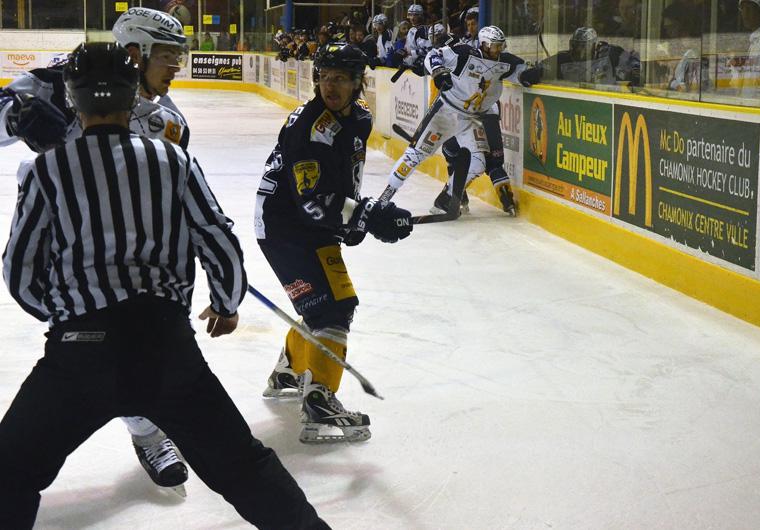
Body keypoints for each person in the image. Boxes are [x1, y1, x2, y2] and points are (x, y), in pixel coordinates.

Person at [0, 41, 329, 530]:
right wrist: (226, 304)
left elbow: (20, 270)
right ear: (133, 95)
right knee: (244, 468)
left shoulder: (48, 169)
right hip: (165, 349)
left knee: (10, 472)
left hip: (78, 357)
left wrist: (69, 316)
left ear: (72, 99)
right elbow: (218, 239)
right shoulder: (173, 160)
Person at [0, 6, 191, 493]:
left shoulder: (168, 122)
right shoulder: (62, 80)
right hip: (55, 243)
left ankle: (144, 431)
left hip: (123, 252)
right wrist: (15, 117)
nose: (176, 66)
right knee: (86, 348)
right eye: (168, 56)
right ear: (136, 52)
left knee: (122, 342)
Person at [255, 42, 413, 443]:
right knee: (334, 308)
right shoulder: (308, 128)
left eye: (340, 78)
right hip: (285, 226)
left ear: (358, 82)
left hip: (307, 224)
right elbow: (311, 200)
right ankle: (319, 402)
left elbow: (339, 180)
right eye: (325, 77)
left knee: (320, 305)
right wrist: (365, 216)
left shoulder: (358, 117)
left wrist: (355, 218)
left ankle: (289, 372)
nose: (330, 86)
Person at [385, 26, 541, 213]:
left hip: (470, 120)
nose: (498, 50)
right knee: (415, 155)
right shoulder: (465, 54)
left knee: (478, 162)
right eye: (495, 46)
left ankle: (446, 199)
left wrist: (529, 74)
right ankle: (385, 197)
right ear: (484, 44)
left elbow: (520, 72)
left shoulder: (505, 62)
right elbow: (433, 55)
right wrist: (438, 71)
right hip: (445, 113)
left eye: (501, 46)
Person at [548, 27, 641, 87]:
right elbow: (543, 67)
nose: (579, 50)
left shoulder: (611, 53)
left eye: (583, 46)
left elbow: (633, 63)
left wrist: (635, 72)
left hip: (607, 98)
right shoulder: (563, 58)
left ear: (594, 46)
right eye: (575, 45)